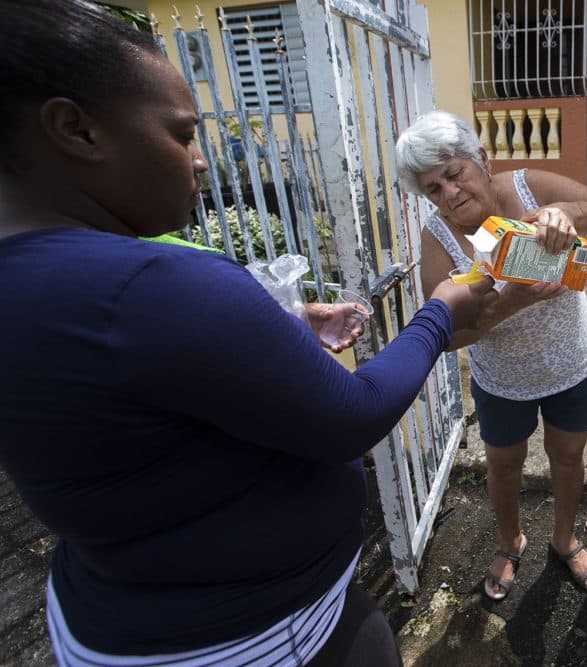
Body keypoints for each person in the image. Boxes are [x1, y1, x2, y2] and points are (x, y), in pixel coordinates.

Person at [0, 2, 496, 665]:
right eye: (181, 135)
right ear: (75, 129)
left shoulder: (39, 278)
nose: (201, 160)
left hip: (116, 616)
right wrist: (439, 311)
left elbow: (124, 378)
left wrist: (278, 325)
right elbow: (353, 413)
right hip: (252, 636)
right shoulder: (150, 284)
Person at [395, 111, 587, 599]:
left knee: (567, 458)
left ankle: (565, 537)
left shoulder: (528, 188)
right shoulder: (438, 238)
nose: (449, 195)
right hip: (502, 380)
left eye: (453, 173)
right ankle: (510, 541)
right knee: (503, 464)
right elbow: (445, 335)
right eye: (432, 189)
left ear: (481, 160)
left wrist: (570, 214)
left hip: (572, 361)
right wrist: (514, 300)